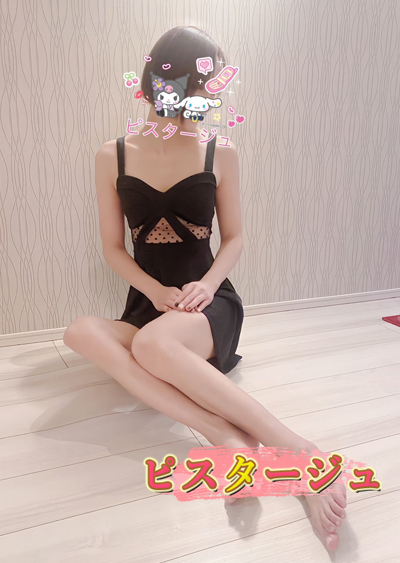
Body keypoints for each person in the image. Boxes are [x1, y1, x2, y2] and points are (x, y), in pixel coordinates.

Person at [63, 25, 347, 550]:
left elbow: (234, 238)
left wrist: (208, 284)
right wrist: (154, 291)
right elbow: (113, 249)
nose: (208, 95)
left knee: (153, 344)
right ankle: (221, 433)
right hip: (150, 307)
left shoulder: (221, 151)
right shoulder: (112, 155)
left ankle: (296, 450)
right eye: (203, 83)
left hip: (208, 307)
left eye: (212, 85)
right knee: (80, 332)